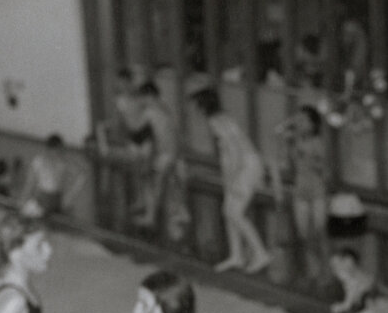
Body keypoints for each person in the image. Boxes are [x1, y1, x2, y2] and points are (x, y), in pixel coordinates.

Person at [191, 88, 271, 274]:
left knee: (235, 212)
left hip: (245, 167)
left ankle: (261, 252)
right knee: (228, 211)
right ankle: (236, 255)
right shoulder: (221, 119)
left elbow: (235, 151)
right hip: (243, 166)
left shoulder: (217, 121)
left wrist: (232, 179)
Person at [278, 105, 328, 284]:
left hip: (317, 191)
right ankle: (313, 271)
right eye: (298, 120)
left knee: (318, 232)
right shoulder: (294, 141)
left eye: (304, 121)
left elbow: (323, 169)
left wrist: (308, 157)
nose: (300, 124)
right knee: (304, 234)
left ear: (313, 124)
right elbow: (284, 161)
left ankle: (324, 271)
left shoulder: (318, 143)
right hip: (300, 190)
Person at [131, 82, 186, 231]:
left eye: (141, 98)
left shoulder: (149, 111)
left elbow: (136, 132)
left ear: (148, 96)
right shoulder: (165, 108)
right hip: (174, 153)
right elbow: (174, 133)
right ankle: (180, 213)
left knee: (152, 185)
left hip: (165, 155)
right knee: (172, 186)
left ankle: (150, 218)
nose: (140, 101)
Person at [19, 134, 86, 219]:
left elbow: (82, 176)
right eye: (60, 150)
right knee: (26, 211)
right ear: (54, 148)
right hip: (49, 201)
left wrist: (69, 197)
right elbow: (30, 183)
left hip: (50, 201)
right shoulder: (42, 161)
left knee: (26, 212)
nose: (60, 152)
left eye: (61, 150)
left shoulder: (60, 163)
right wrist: (69, 197)